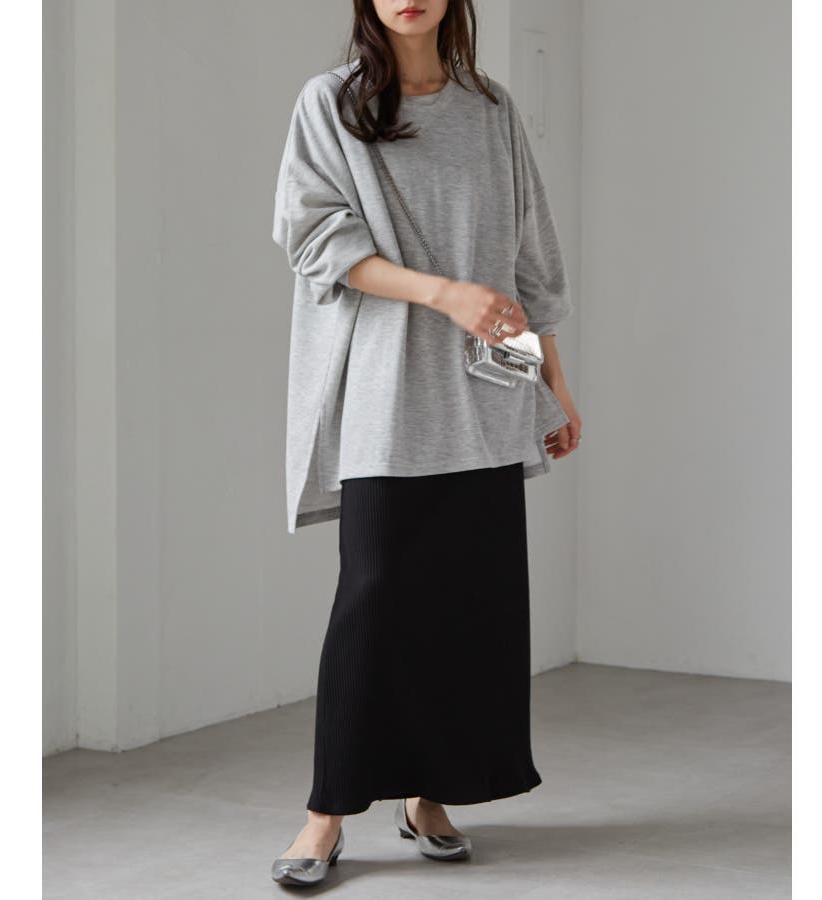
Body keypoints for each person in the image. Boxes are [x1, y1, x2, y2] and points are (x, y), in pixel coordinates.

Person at [270, 0, 582, 887]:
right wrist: (444, 292)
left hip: (488, 391)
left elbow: (529, 259)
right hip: (385, 388)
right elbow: (313, 235)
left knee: (465, 607)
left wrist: (555, 385)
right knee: (372, 598)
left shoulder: (491, 109)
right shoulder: (331, 103)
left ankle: (428, 797)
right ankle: (326, 814)